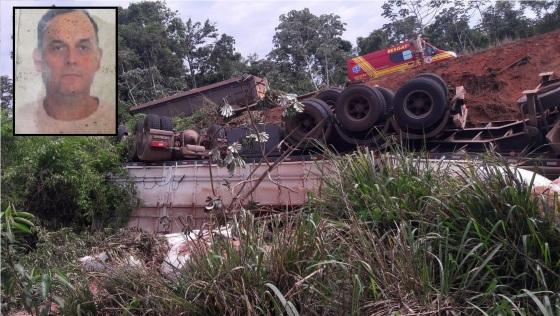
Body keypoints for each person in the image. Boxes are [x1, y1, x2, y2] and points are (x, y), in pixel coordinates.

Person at [15, 8, 115, 134]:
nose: (71, 59)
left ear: (98, 58)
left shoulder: (111, 121)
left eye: (83, 47)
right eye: (58, 48)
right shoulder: (21, 121)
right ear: (38, 59)